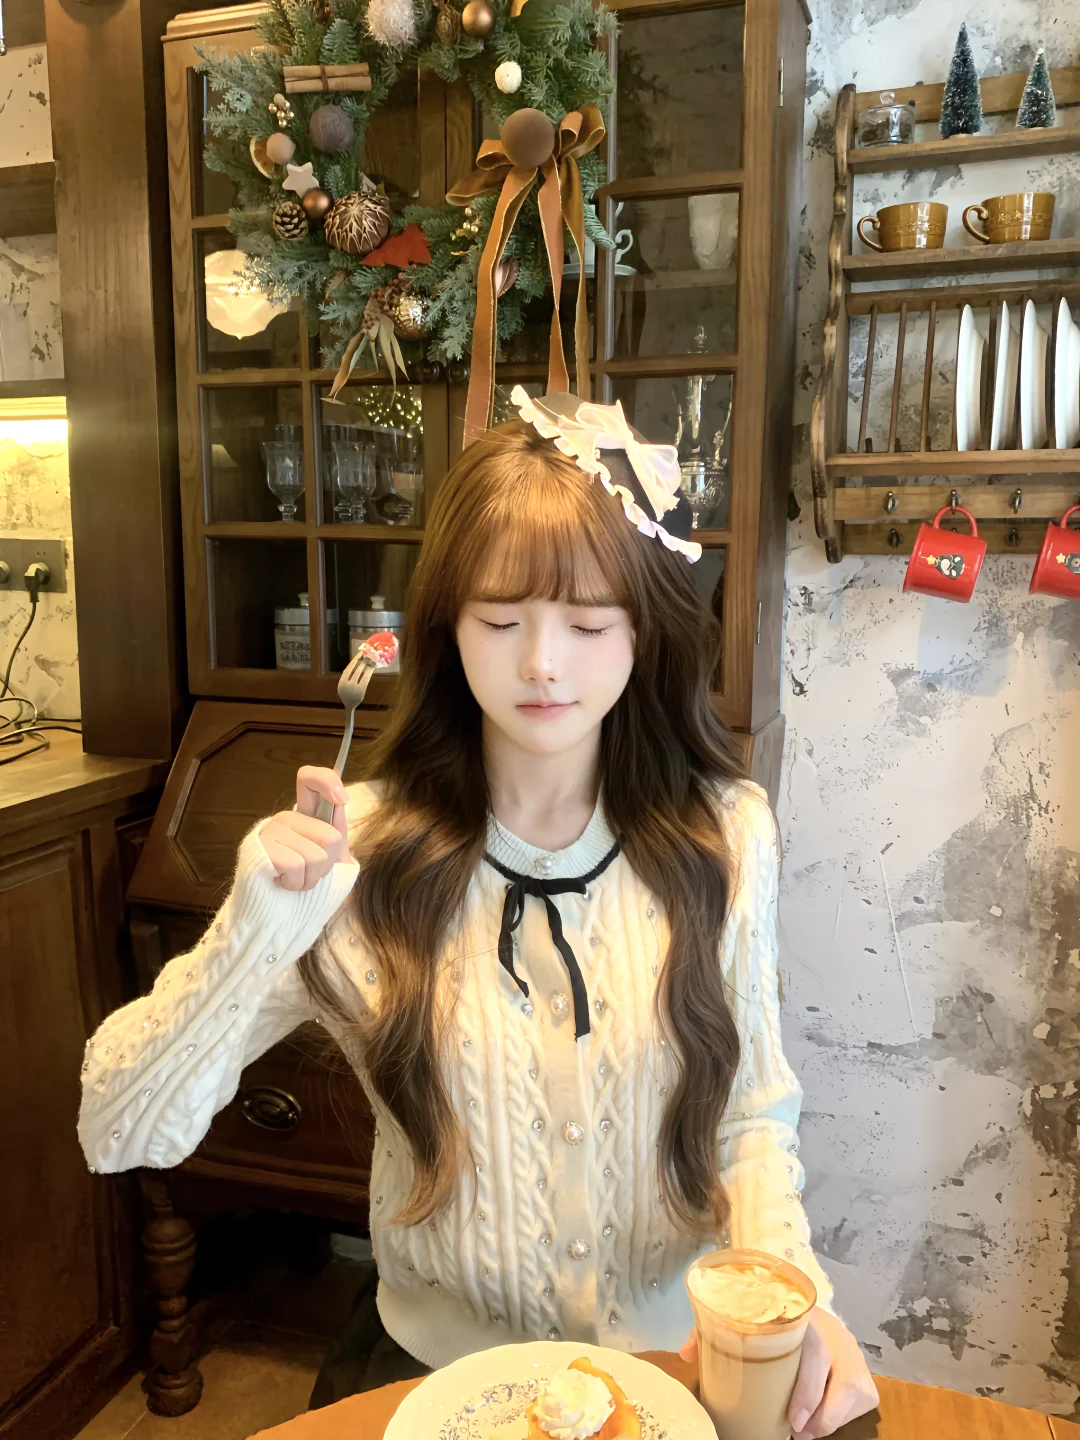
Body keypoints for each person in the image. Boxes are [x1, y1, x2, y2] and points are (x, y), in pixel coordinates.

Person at [78, 389, 877, 1438]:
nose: (542, 663)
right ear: (446, 627)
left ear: (645, 632)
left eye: (588, 622)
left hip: (669, 1376)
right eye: (500, 621)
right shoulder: (362, 854)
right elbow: (119, 1128)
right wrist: (255, 929)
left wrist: (788, 1303)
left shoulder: (724, 835)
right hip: (428, 1381)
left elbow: (751, 1116)